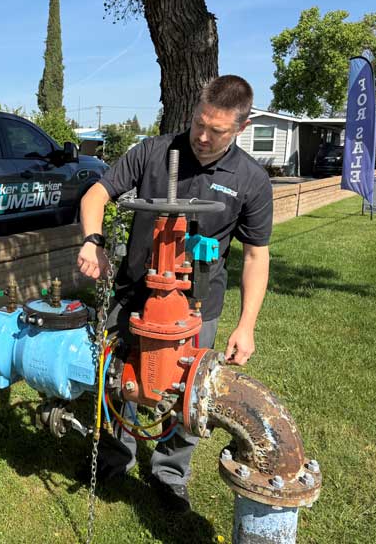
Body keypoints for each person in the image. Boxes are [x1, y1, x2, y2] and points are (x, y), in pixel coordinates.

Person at [76, 75, 273, 512]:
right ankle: (117, 454)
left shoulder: (251, 180)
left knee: (189, 393)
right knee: (116, 377)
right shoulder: (153, 152)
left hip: (197, 307)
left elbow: (257, 258)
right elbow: (95, 194)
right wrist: (93, 241)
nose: (202, 137)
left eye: (216, 131)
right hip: (133, 293)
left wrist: (247, 325)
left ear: (240, 129)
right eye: (199, 123)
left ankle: (169, 473)